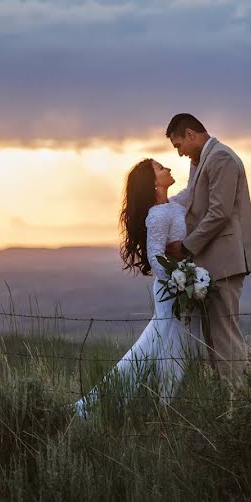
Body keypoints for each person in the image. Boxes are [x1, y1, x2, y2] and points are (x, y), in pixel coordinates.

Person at [74, 158, 198, 418]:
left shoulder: (173, 205)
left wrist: (198, 160)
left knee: (160, 344)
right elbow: (154, 256)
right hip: (170, 289)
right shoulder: (157, 214)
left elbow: (191, 188)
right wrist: (181, 279)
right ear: (153, 182)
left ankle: (164, 398)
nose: (168, 169)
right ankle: (165, 404)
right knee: (168, 345)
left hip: (178, 286)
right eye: (161, 168)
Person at [164, 113, 251, 385]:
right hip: (211, 263)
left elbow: (219, 212)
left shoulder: (221, 158)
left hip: (225, 261)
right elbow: (190, 196)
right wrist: (160, 206)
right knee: (212, 338)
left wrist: (186, 246)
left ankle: (237, 402)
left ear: (191, 135)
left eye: (178, 145)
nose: (180, 153)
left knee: (224, 335)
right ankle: (225, 401)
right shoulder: (201, 161)